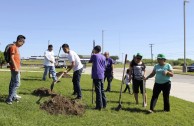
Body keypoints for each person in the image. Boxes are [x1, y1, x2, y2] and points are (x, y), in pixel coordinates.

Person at [6, 35, 26, 105]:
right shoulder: (13, 47)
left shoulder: (16, 48)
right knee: (17, 83)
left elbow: (17, 60)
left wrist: (19, 69)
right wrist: (16, 68)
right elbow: (12, 58)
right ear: (19, 41)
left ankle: (13, 96)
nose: (22, 44)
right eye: (22, 43)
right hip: (14, 69)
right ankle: (9, 99)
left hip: (16, 68)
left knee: (13, 83)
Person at [89, 45, 106, 110]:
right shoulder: (103, 57)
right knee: (102, 90)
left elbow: (90, 61)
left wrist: (92, 53)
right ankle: (104, 104)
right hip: (102, 74)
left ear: (95, 50)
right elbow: (105, 65)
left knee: (98, 91)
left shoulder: (94, 56)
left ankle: (99, 106)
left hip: (96, 75)